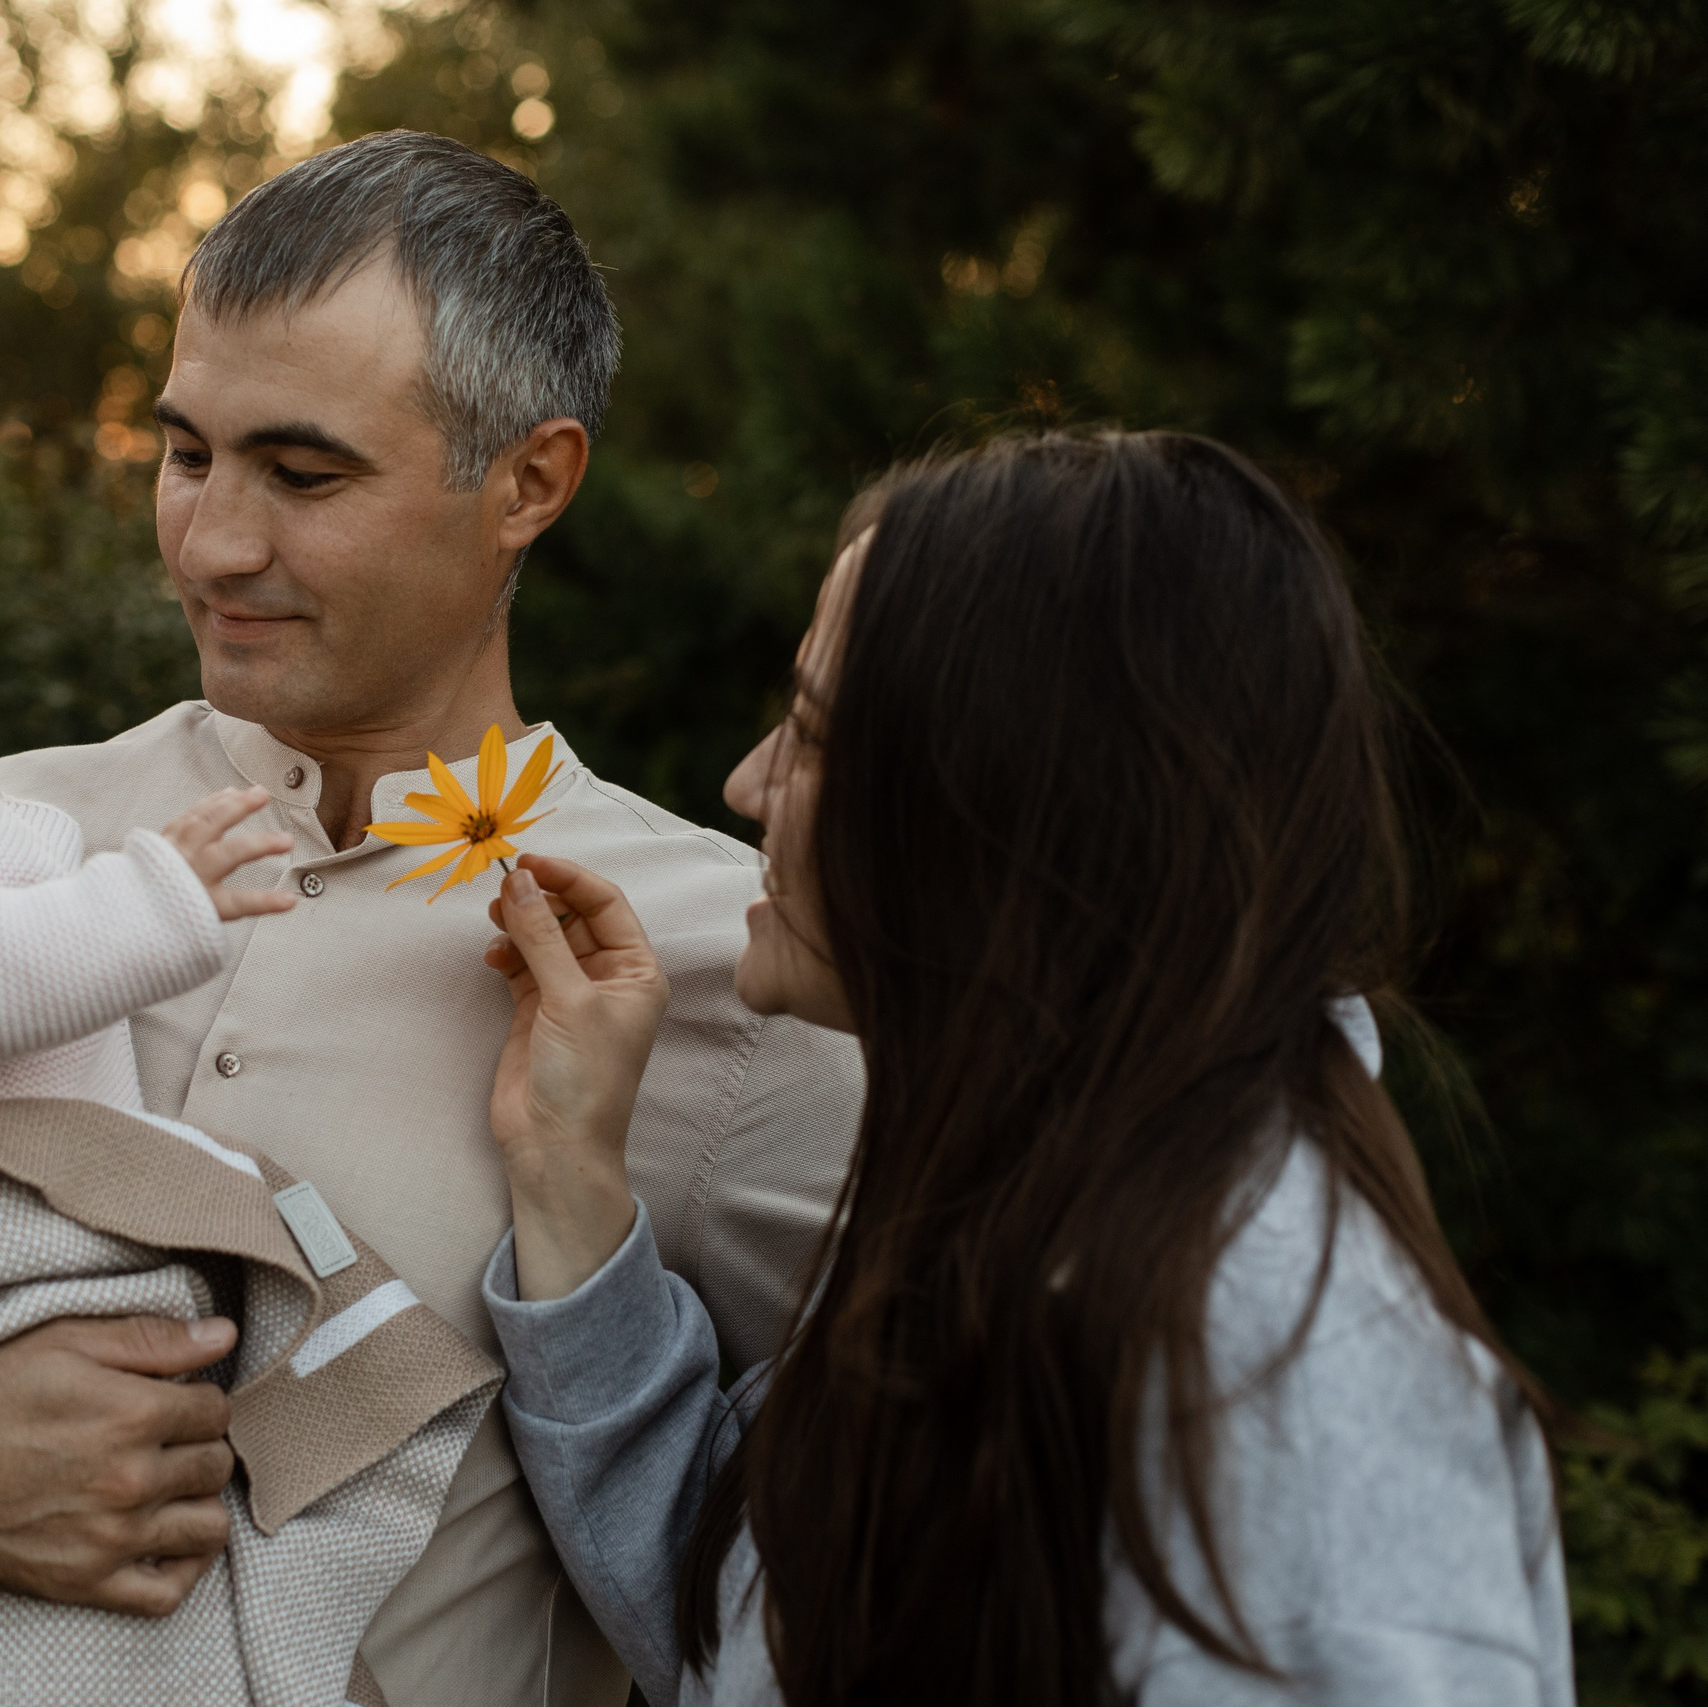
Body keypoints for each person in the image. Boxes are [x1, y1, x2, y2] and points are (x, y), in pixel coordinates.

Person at [0, 131, 866, 1706]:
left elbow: (842, 1575)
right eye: (187, 453)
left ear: (529, 482)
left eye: (301, 472)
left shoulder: (729, 969)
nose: (212, 542)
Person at [473, 431, 1575, 1706]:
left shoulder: (1294, 1394)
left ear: (1005, 800)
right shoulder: (1010, 1208)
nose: (748, 783)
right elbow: (751, 1640)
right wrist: (567, 1174)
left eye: (818, 735)